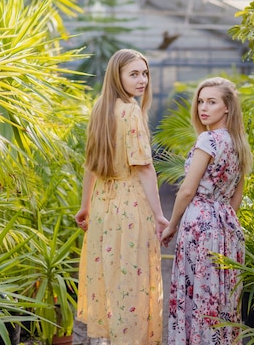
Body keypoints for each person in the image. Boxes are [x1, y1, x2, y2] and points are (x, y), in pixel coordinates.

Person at [75, 49, 168, 345]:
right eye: (134, 74)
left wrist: (85, 206)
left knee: (111, 278)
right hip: (130, 206)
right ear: (118, 76)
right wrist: (159, 215)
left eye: (145, 73)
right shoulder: (130, 112)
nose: (142, 80)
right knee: (134, 281)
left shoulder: (100, 107)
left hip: (103, 205)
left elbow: (91, 164)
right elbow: (143, 168)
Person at [161, 77, 253, 344]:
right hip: (227, 226)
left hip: (199, 224)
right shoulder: (238, 143)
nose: (203, 107)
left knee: (198, 296)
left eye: (212, 102)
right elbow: (236, 197)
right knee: (221, 298)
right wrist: (222, 221)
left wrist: (172, 225)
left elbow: (187, 190)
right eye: (201, 101)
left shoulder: (208, 140)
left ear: (227, 108)